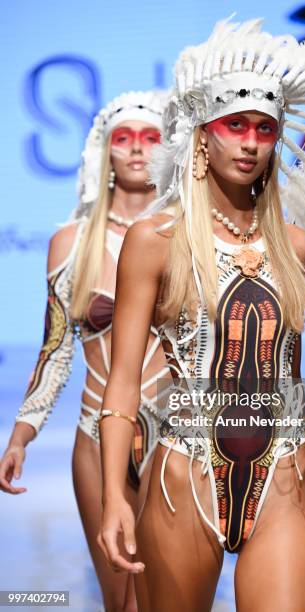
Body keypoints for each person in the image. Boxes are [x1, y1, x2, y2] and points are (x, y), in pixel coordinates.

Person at [97, 12, 305, 612]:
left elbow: (288, 378)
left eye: (265, 129)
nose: (251, 142)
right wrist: (113, 498)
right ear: (204, 134)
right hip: (184, 476)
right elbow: (123, 383)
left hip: (283, 481)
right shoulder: (156, 239)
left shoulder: (297, 246)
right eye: (235, 125)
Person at [0, 90, 168, 612]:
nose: (137, 150)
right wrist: (21, 436)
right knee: (124, 600)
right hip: (97, 438)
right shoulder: (71, 243)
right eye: (124, 139)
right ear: (106, 152)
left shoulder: (185, 236)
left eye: (150, 138)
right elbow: (55, 349)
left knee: (175, 596)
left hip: (178, 438)